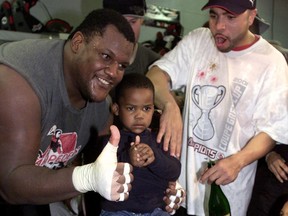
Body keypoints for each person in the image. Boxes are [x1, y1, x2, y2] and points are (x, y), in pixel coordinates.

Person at [146, 0, 288, 215]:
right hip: (179, 191)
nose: (219, 26)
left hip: (227, 197)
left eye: (230, 17)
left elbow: (272, 130)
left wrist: (238, 161)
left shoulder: (271, 62)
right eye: (214, 15)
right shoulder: (199, 40)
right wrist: (169, 105)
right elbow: (155, 76)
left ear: (251, 17)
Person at [0, 8, 136, 216]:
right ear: (78, 43)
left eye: (122, 66)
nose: (113, 73)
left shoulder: (101, 106)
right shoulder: (20, 82)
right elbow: (10, 185)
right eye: (106, 56)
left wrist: (158, 188)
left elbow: (102, 171)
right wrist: (87, 177)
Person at [99, 73, 182, 216]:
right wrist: (127, 158)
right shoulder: (110, 141)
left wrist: (154, 158)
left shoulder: (159, 139)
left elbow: (174, 171)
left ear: (154, 109)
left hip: (157, 209)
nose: (139, 115)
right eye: (131, 108)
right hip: (118, 211)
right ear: (117, 109)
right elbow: (101, 174)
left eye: (146, 108)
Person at [103, 0, 161, 75]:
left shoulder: (155, 64)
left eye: (132, 22)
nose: (127, 29)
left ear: (141, 21)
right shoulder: (92, 57)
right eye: (119, 22)